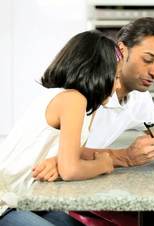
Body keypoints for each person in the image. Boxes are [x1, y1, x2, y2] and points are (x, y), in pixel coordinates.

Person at [32, 17, 154, 183]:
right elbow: (68, 164)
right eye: (148, 60)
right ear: (122, 51)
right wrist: (119, 158)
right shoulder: (81, 96)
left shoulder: (139, 98)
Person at [0, 30, 120, 226]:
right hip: (4, 204)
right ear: (99, 73)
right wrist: (105, 164)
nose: (117, 85)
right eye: (115, 76)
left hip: (25, 201)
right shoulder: (73, 99)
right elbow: (71, 169)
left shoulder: (74, 100)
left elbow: (71, 156)